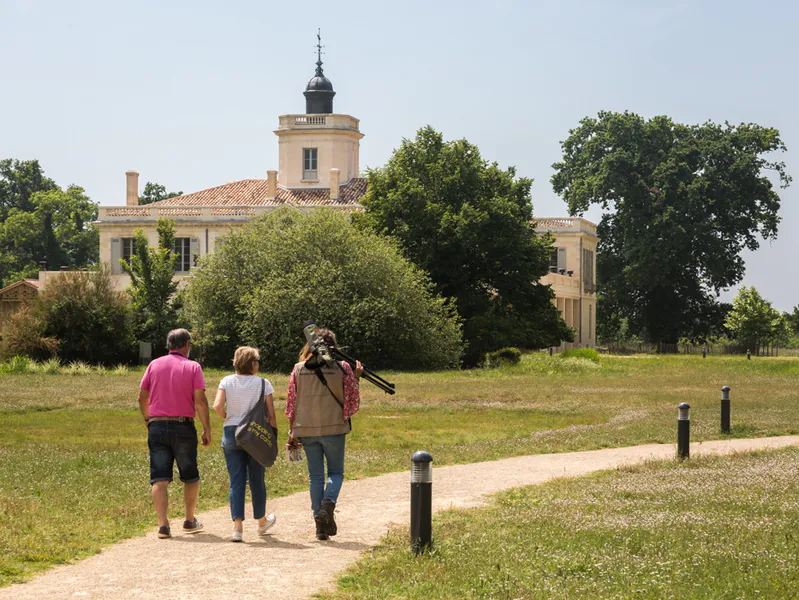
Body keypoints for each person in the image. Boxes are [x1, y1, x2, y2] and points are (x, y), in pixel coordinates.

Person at [286, 328, 362, 540]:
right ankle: (327, 505)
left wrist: (292, 432)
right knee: (336, 473)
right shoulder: (343, 368)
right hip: (335, 428)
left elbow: (291, 405)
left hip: (306, 429)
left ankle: (319, 525)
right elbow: (352, 402)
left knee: (315, 477)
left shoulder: (298, 369)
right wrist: (356, 378)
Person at [138, 328, 211, 539]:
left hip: (157, 426)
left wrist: (147, 419)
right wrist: (206, 428)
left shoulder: (154, 364)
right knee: (190, 476)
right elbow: (200, 400)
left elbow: (142, 397)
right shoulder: (193, 367)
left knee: (159, 479)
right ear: (186, 344)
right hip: (183, 426)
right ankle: (189, 520)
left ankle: (163, 525)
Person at [213, 346, 278, 542]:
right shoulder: (263, 383)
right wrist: (273, 436)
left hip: (231, 432)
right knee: (257, 480)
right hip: (255, 435)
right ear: (253, 363)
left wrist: (228, 417)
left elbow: (216, 406)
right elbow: (271, 414)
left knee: (236, 481)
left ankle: (237, 528)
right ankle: (261, 522)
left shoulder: (226, 381)